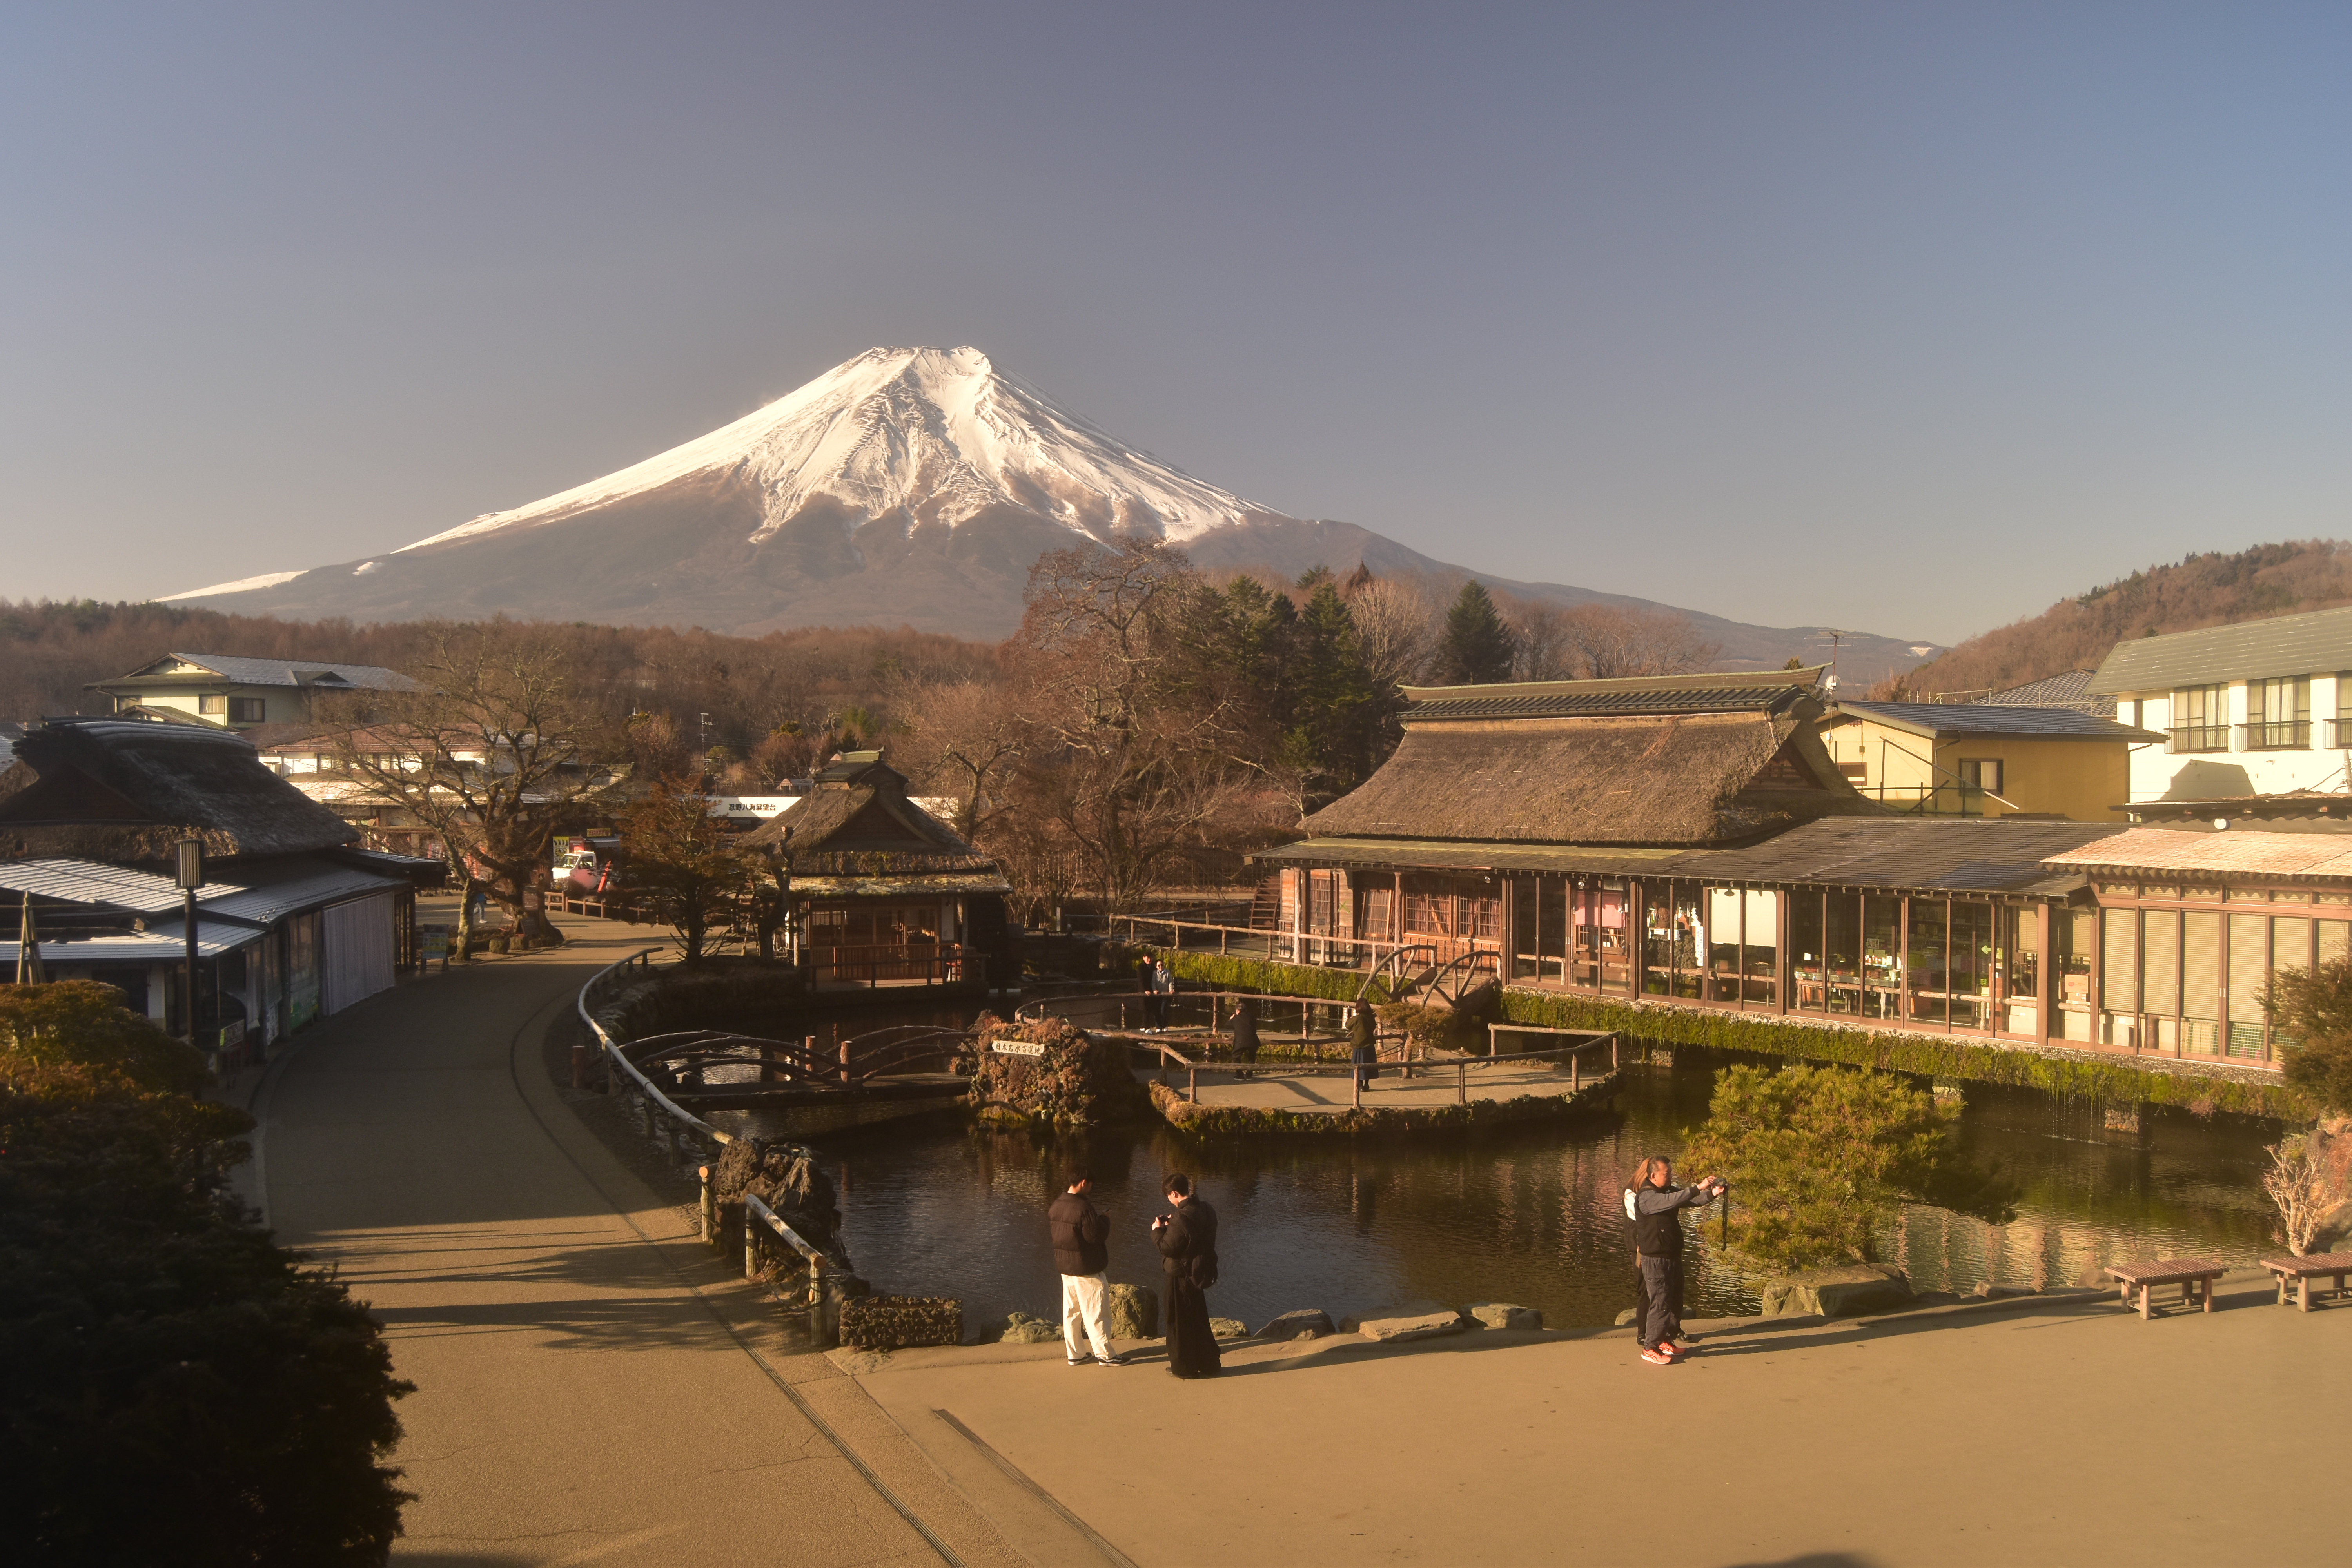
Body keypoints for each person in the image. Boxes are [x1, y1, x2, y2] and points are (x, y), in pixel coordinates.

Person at [1630, 1155, 1724, 1365]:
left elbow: (1688, 1200)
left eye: (1671, 1172)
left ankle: (1665, 1340)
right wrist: (1697, 1186)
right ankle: (1650, 1347)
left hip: (1672, 1256)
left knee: (1674, 1301)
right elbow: (1671, 1201)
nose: (1671, 1176)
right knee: (1661, 1302)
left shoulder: (1666, 1190)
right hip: (1655, 1259)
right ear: (1654, 1176)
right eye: (1667, 1173)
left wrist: (1712, 1194)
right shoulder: (1647, 1196)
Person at [1048, 1169, 1128, 1366]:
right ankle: (1106, 1356)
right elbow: (1096, 1236)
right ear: (1084, 1182)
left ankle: (1075, 1354)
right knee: (1096, 1313)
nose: (1091, 1189)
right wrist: (1105, 1219)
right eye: (1090, 1185)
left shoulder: (1057, 1205)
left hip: (1065, 1266)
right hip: (1086, 1267)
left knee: (1072, 1312)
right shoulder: (1083, 1208)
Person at [1152, 1173, 1221, 1379]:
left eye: (1169, 1196)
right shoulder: (1206, 1209)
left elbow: (1168, 1248)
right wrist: (1174, 1226)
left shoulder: (1182, 1218)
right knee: (1199, 1319)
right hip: (1199, 1272)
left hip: (1180, 1275)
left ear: (1174, 1193)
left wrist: (1158, 1231)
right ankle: (1208, 1363)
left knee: (1177, 1322)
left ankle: (1184, 1368)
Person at [1230, 996, 1259, 1080]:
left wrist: (1232, 1019)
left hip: (1241, 1042)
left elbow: (1227, 1026)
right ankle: (1250, 1075)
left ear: (1238, 1011)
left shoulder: (1236, 1018)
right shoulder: (1252, 1017)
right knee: (1252, 1057)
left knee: (1235, 1056)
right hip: (1253, 1041)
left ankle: (1240, 1075)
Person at [1348, 1004, 1376, 1093]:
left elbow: (1348, 1025)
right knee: (1368, 1065)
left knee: (1358, 1065)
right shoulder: (1371, 1018)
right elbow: (1373, 1027)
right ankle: (1366, 1084)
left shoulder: (1358, 1018)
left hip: (1359, 1046)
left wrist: (1350, 1019)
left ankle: (1360, 1085)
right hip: (1369, 1045)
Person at [1150, 956, 1175, 1030]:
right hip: (1157, 995)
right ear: (1156, 967)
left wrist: (1171, 989)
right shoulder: (1155, 973)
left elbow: (1170, 981)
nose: (1161, 967)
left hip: (1165, 994)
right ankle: (1159, 1027)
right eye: (1159, 966)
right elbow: (1153, 983)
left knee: (1163, 1011)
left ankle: (1165, 1025)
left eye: (1162, 965)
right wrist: (1154, 990)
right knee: (1157, 1012)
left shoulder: (1167, 972)